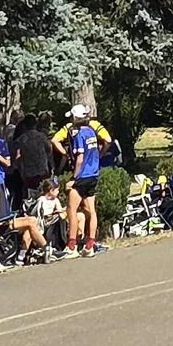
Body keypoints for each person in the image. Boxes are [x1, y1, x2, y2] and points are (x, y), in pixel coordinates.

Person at [64, 105, 111, 253]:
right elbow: (100, 146)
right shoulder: (92, 131)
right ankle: (90, 243)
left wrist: (74, 178)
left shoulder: (79, 134)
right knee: (91, 210)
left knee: (71, 209)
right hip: (93, 174)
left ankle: (71, 245)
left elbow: (80, 158)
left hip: (82, 176)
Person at [13, 113, 54, 211]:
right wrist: (50, 164)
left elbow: (17, 157)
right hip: (42, 171)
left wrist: (21, 170)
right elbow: (49, 150)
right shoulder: (42, 137)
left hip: (28, 174)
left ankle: (29, 213)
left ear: (25, 125)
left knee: (30, 197)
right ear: (35, 124)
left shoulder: (21, 140)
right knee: (43, 195)